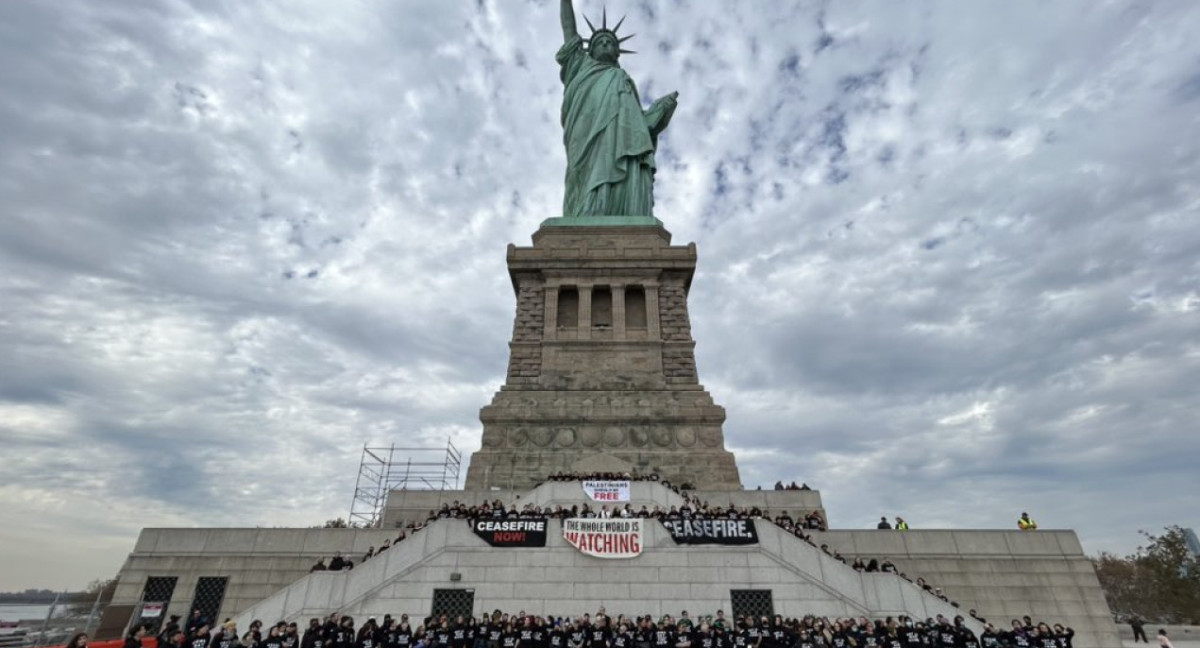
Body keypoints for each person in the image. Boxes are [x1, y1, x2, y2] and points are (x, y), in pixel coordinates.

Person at [556, 0, 678, 219]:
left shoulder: (622, 79)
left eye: (610, 42)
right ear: (589, 49)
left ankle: (622, 213)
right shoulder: (580, 66)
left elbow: (639, 126)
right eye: (599, 42)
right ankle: (586, 213)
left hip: (621, 140)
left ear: (617, 52)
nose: (604, 44)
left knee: (625, 164)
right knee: (583, 176)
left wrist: (660, 111)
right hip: (585, 136)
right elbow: (568, 27)